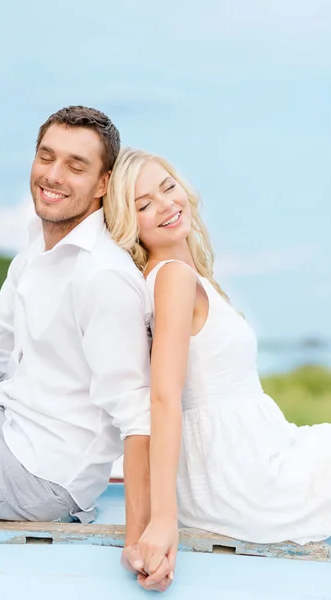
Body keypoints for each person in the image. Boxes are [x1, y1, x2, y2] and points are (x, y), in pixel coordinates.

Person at [0, 106, 172, 591]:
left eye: (75, 165)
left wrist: (140, 536)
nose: (52, 175)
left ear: (102, 184)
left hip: (39, 471)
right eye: (46, 157)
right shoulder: (37, 244)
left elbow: (137, 417)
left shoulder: (103, 278)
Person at [104, 146, 331, 583]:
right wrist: (162, 521)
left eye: (168, 187)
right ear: (129, 224)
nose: (166, 205)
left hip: (256, 453)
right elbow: (164, 396)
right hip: (241, 475)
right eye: (144, 205)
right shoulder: (172, 276)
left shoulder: (180, 275)